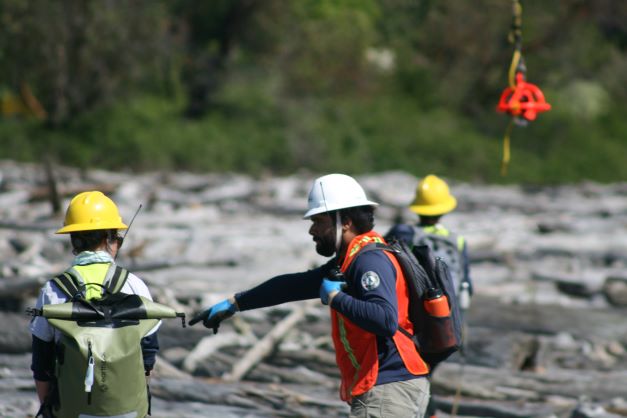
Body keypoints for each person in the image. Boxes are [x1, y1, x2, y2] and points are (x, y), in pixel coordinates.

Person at [190, 174, 431, 417]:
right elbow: (291, 286)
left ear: (345, 221)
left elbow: (385, 320)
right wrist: (235, 303)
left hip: (388, 388)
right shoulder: (349, 260)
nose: (312, 230)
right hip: (394, 386)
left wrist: (337, 298)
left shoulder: (368, 261)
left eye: (318, 220)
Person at [30, 191, 159, 417]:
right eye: (117, 237)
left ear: (73, 239)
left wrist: (48, 410)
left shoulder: (53, 290)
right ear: (110, 239)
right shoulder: (135, 285)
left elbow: (41, 364)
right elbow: (147, 357)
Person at [385, 174, 473, 418]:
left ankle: (426, 413)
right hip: (447, 322)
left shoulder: (405, 234)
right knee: (424, 373)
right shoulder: (458, 240)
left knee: (417, 375)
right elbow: (467, 286)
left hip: (415, 321)